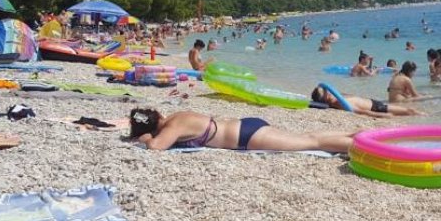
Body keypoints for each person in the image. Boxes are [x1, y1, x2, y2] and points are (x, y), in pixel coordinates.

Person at [129, 108, 354, 152]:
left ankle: (360, 146)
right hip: (246, 126)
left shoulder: (172, 127)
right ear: (158, 114)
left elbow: (156, 147)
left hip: (247, 137)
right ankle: (356, 135)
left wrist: (147, 137)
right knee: (308, 138)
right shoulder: (177, 115)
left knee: (313, 143)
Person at [311, 86, 423, 117]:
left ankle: (423, 115)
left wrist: (324, 87)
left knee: (408, 112)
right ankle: (425, 116)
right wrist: (380, 115)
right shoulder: (338, 103)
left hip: (374, 103)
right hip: (376, 108)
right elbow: (360, 111)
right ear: (324, 99)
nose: (329, 92)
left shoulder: (337, 98)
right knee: (409, 111)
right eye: (326, 92)